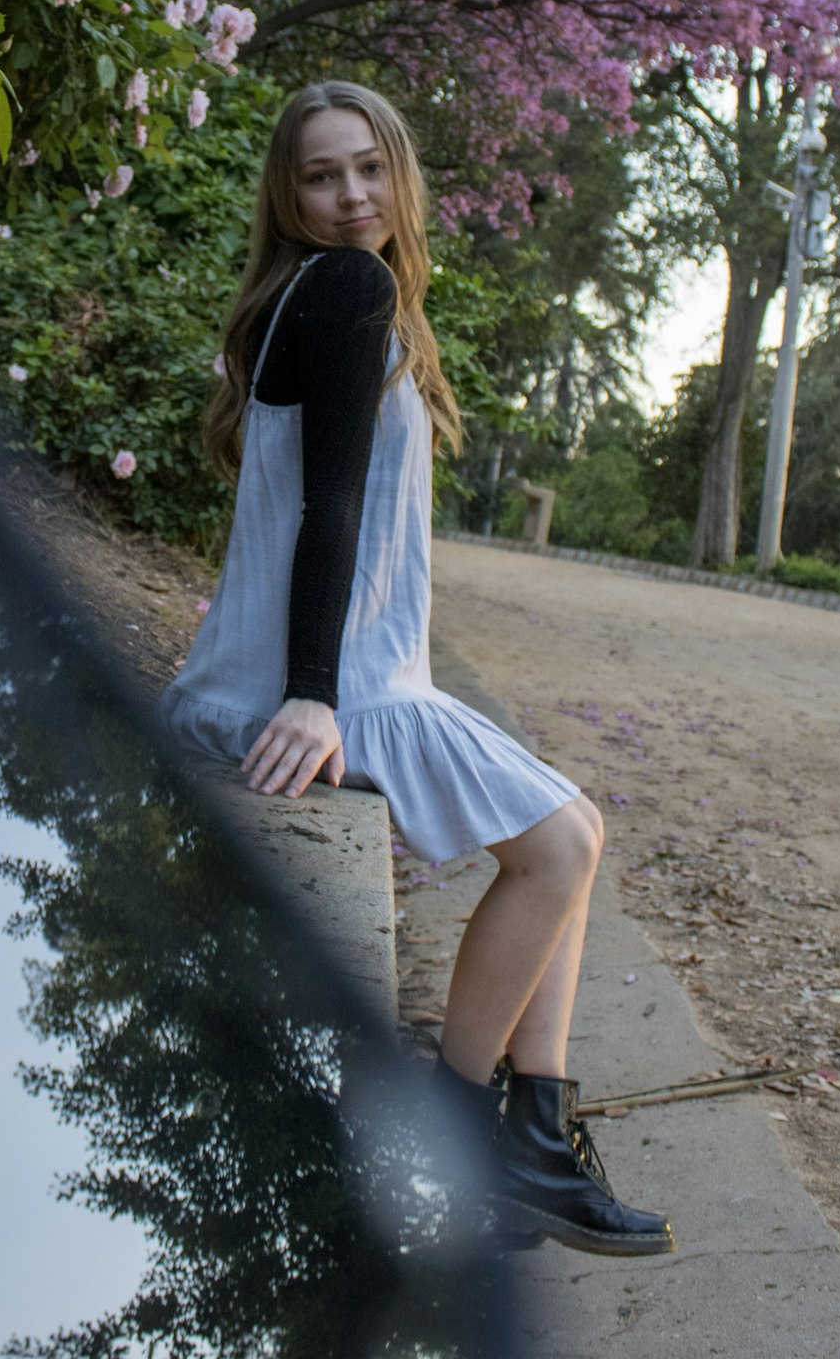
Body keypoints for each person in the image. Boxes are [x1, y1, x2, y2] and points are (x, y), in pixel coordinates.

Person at [161, 79, 675, 1257]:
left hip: (352, 664)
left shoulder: (330, 297)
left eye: (366, 170)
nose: (347, 197)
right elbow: (328, 500)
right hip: (328, 679)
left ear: (400, 174)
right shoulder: (344, 285)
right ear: (285, 196)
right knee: (557, 845)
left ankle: (532, 1134)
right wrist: (311, 691)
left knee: (575, 827)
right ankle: (461, 1136)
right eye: (318, 176)